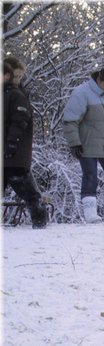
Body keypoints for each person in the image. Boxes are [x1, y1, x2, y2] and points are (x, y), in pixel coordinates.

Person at [63, 67, 104, 223]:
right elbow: (70, 120)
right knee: (90, 177)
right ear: (98, 80)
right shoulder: (82, 93)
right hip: (87, 144)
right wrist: (74, 143)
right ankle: (90, 213)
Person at [3, 59, 47, 229]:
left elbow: (20, 120)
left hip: (15, 153)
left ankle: (40, 222)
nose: (18, 80)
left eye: (20, 77)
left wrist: (13, 141)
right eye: (15, 76)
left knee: (28, 191)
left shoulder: (17, 94)